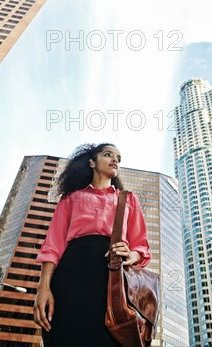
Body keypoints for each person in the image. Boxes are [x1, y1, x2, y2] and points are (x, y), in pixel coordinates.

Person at [33, 143, 151, 346]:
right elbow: (52, 246)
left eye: (119, 158)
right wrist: (43, 289)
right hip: (68, 278)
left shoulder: (128, 199)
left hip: (111, 281)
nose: (115, 160)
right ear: (91, 162)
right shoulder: (71, 198)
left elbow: (141, 247)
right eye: (108, 154)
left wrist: (130, 255)